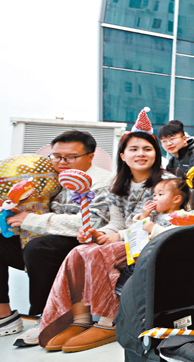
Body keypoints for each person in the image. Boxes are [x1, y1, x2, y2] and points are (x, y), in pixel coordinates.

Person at [36, 110, 178, 352]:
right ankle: (80, 319)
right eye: (134, 149)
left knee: (101, 253)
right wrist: (98, 234)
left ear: (157, 154)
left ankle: (109, 320)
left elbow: (161, 221)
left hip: (154, 240)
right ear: (122, 155)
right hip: (125, 241)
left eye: (147, 149)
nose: (141, 154)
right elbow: (115, 222)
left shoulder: (168, 183)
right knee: (80, 250)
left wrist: (116, 237)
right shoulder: (117, 185)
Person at [1, 131, 113, 345]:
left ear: (90, 156)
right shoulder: (51, 179)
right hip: (46, 238)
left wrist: (30, 219)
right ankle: (4, 317)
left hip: (84, 241)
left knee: (39, 248)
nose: (61, 162)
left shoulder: (104, 182)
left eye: (70, 157)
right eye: (56, 156)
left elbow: (90, 223)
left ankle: (44, 317)